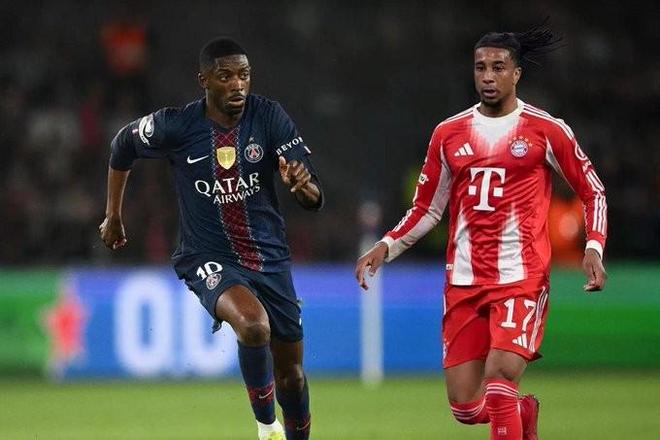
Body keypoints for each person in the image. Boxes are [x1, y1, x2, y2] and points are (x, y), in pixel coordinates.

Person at [355, 23, 607, 440]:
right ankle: (523, 412)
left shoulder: (546, 129)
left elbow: (592, 190)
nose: (488, 76)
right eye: (480, 67)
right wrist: (386, 245)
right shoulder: (448, 134)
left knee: (500, 377)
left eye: (498, 67)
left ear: (516, 74)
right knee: (467, 407)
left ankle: (511, 406)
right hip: (464, 281)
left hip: (520, 277)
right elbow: (427, 208)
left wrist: (593, 246)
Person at [100, 37, 322, 440]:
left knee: (291, 377)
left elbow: (313, 197)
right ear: (204, 80)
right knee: (253, 326)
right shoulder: (177, 125)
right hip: (207, 254)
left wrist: (300, 185)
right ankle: (266, 427)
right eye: (226, 76)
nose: (237, 84)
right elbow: (122, 146)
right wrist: (113, 215)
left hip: (269, 259)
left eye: (244, 75)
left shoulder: (269, 117)